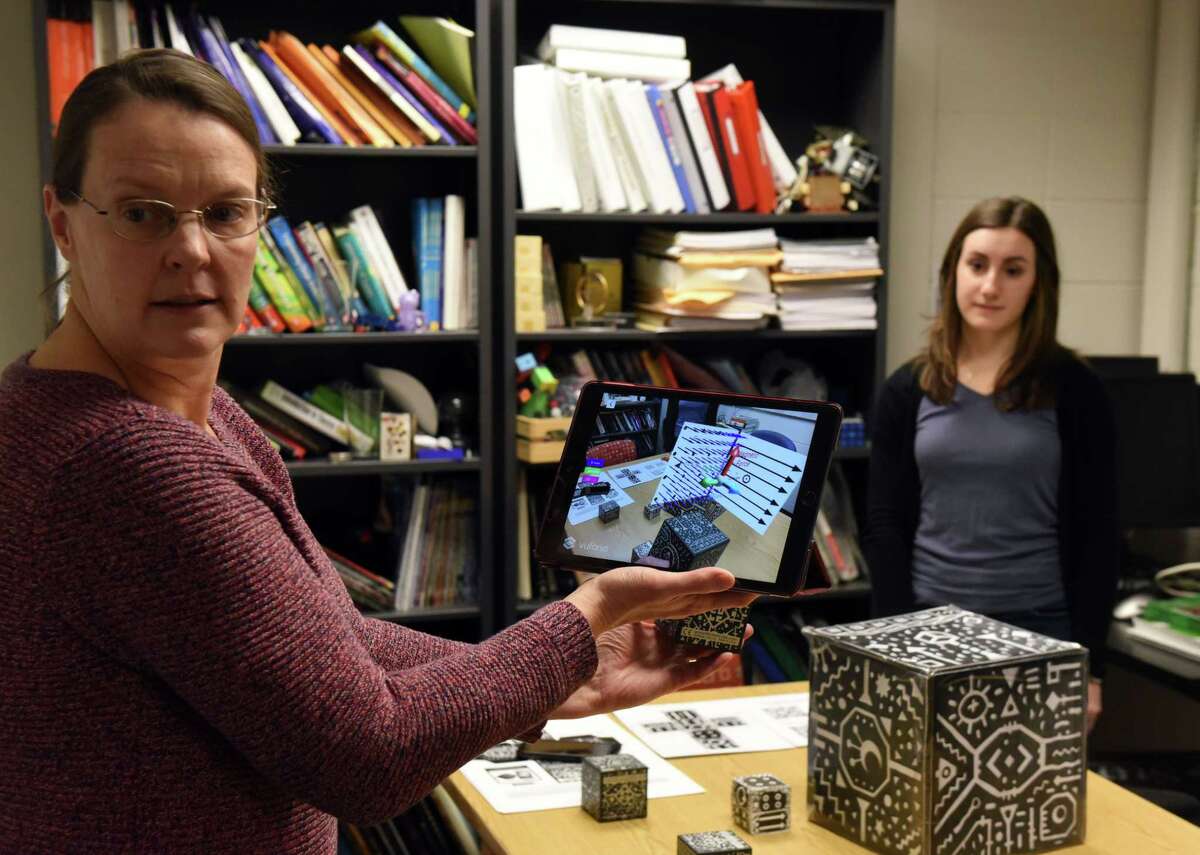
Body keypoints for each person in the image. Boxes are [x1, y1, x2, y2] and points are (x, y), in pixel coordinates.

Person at [0, 49, 755, 853]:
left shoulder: (147, 407)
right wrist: (590, 612)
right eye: (143, 212)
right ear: (63, 223)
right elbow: (370, 757)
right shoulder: (134, 465)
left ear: (260, 223)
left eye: (224, 211)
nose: (191, 249)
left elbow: (329, 643)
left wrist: (573, 671)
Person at [864, 196, 1118, 733]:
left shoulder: (1076, 389)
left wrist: (1091, 664)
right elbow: (884, 525)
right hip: (928, 630)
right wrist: (892, 640)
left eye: (1013, 270)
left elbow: (1099, 531)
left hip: (1041, 633)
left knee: (1028, 810)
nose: (990, 286)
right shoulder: (908, 389)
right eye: (977, 265)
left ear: (1038, 282)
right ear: (952, 270)